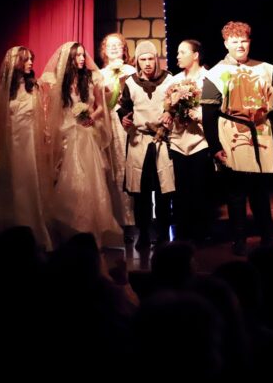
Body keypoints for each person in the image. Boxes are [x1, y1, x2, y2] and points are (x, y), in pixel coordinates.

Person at [201, 21, 273, 256]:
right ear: (226, 43)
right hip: (232, 133)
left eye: (243, 41)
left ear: (250, 42)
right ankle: (239, 239)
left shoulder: (264, 69)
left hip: (261, 133)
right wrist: (215, 146)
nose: (240, 45)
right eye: (234, 41)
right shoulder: (216, 74)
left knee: (260, 191)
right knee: (235, 192)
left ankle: (267, 238)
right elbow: (208, 114)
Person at [40, 41, 121, 246]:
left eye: (83, 55)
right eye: (77, 56)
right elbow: (53, 110)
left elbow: (101, 107)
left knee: (89, 180)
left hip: (86, 133)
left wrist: (89, 117)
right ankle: (70, 228)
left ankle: (89, 228)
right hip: (66, 132)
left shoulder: (92, 79)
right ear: (69, 59)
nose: (82, 59)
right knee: (70, 181)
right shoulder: (60, 82)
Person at [0, 46, 52, 250]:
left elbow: (42, 116)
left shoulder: (34, 87)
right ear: (16, 63)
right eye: (26, 60)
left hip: (30, 142)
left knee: (30, 184)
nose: (31, 63)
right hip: (12, 143)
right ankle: (9, 234)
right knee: (12, 184)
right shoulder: (5, 90)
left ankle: (32, 230)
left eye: (31, 59)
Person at [117, 41, 175, 249]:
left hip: (162, 141)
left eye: (151, 58)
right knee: (141, 193)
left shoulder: (169, 80)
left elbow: (176, 106)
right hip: (139, 141)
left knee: (163, 191)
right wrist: (124, 118)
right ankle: (143, 234)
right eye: (143, 59)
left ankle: (162, 234)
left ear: (156, 59)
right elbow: (124, 107)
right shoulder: (131, 83)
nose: (148, 63)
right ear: (138, 61)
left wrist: (170, 112)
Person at [168, 39, 213, 244]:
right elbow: (167, 106)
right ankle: (182, 233)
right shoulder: (175, 80)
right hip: (179, 140)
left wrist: (197, 114)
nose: (178, 56)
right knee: (181, 190)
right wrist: (170, 109)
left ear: (195, 55)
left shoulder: (208, 78)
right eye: (178, 52)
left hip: (200, 140)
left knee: (200, 189)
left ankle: (201, 233)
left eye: (183, 52)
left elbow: (215, 109)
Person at [98, 33, 136, 241]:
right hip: (106, 123)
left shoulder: (131, 71)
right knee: (110, 171)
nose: (113, 48)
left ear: (124, 49)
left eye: (117, 45)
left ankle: (130, 220)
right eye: (109, 45)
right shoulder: (100, 74)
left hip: (126, 123)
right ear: (104, 50)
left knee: (126, 168)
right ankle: (113, 218)